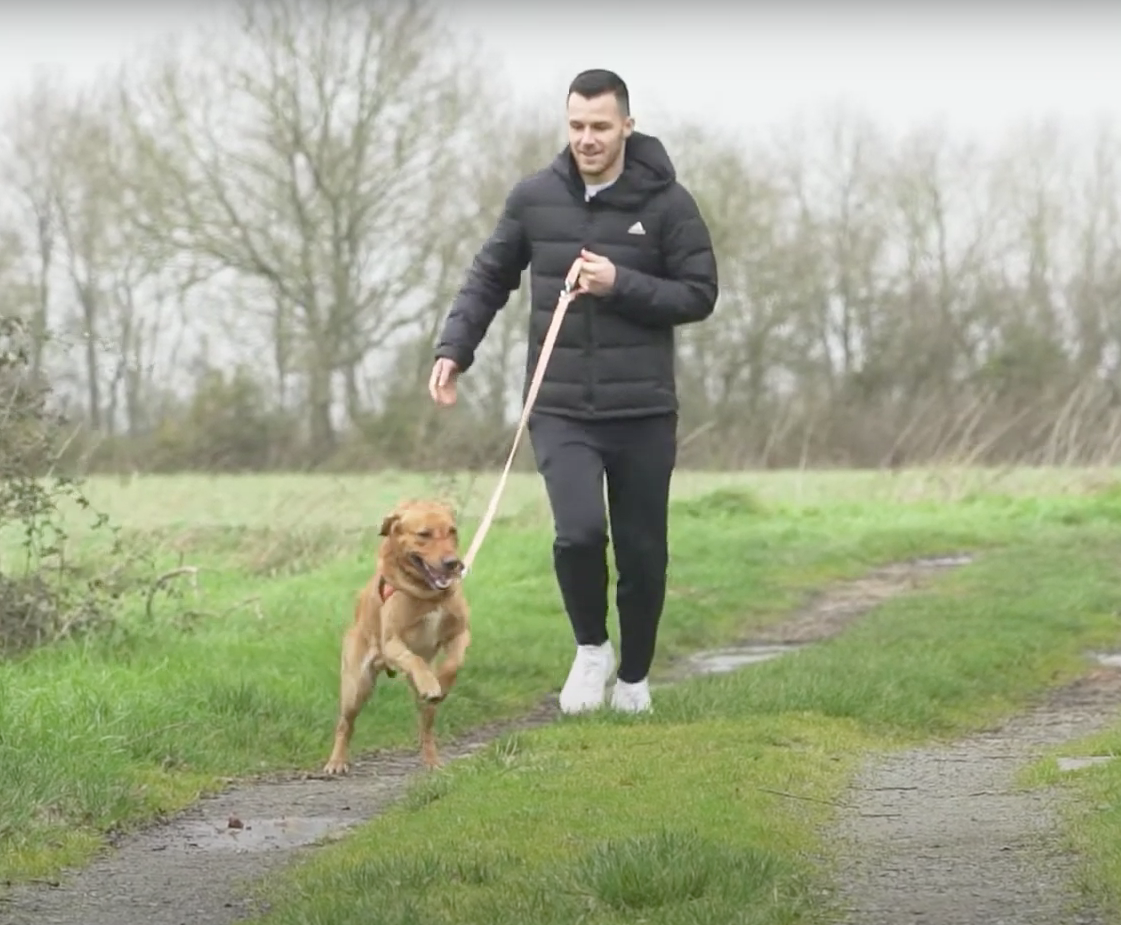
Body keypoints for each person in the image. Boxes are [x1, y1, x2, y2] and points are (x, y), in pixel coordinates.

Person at [428, 68, 719, 715]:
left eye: (600, 127)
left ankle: (635, 679)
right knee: (579, 534)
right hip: (558, 407)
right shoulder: (535, 198)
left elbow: (699, 293)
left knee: (643, 551)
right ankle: (591, 649)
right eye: (576, 126)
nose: (586, 139)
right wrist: (453, 349)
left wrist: (622, 282)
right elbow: (487, 277)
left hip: (642, 409)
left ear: (626, 127)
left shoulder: (668, 204)